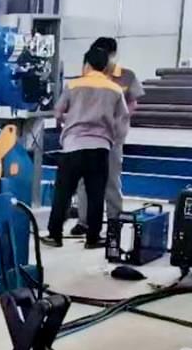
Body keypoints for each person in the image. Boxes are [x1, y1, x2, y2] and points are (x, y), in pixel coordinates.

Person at [45, 45, 129, 249]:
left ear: (87, 64)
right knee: (96, 194)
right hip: (100, 147)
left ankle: (55, 235)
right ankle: (93, 238)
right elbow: (122, 120)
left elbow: (57, 112)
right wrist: (113, 139)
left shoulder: (73, 85)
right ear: (105, 67)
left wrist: (69, 122)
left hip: (73, 146)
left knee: (63, 194)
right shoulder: (115, 89)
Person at [72, 37, 143, 236]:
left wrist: (118, 120)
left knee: (111, 179)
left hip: (112, 137)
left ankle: (114, 222)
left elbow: (132, 103)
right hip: (88, 135)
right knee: (84, 180)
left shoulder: (127, 76)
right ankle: (84, 222)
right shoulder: (89, 74)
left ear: (113, 55)